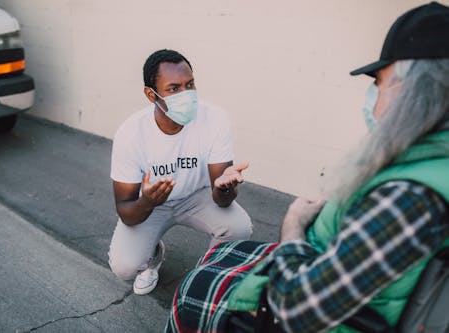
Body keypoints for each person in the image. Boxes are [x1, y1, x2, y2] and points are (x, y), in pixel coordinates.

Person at [165, 2, 449, 332]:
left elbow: (295, 310)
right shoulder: (429, 165)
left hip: (301, 306)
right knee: (223, 252)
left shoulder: (408, 199)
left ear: (415, 91)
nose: (372, 95)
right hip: (326, 271)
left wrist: (293, 226)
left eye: (380, 82)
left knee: (190, 289)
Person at [108, 49, 252, 296]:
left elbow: (222, 199)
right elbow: (126, 211)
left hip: (198, 196)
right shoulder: (130, 133)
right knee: (124, 266)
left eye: (190, 84)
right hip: (153, 204)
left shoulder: (215, 119)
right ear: (151, 95)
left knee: (239, 228)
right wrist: (148, 201)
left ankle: (208, 275)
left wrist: (225, 188)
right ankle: (152, 257)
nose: (186, 94)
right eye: (174, 88)